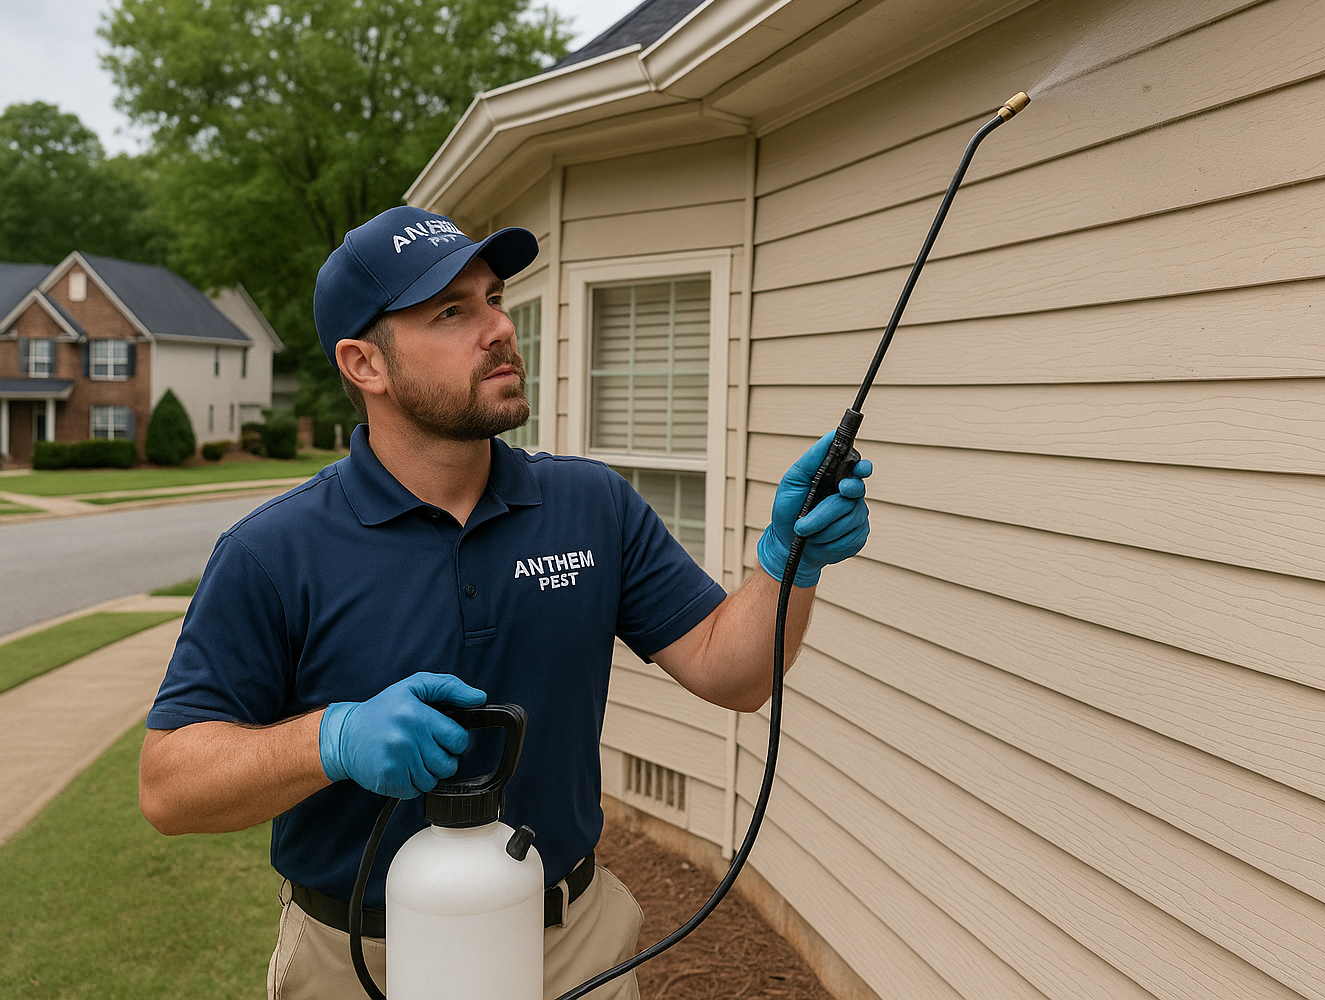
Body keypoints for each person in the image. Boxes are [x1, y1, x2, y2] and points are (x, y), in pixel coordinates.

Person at [138, 206, 873, 1000]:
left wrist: (787, 563)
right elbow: (169, 787)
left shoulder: (593, 506)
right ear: (364, 363)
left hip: (570, 950)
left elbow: (732, 672)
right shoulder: (273, 552)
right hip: (362, 963)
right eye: (451, 311)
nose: (498, 327)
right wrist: (333, 737)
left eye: (492, 297)